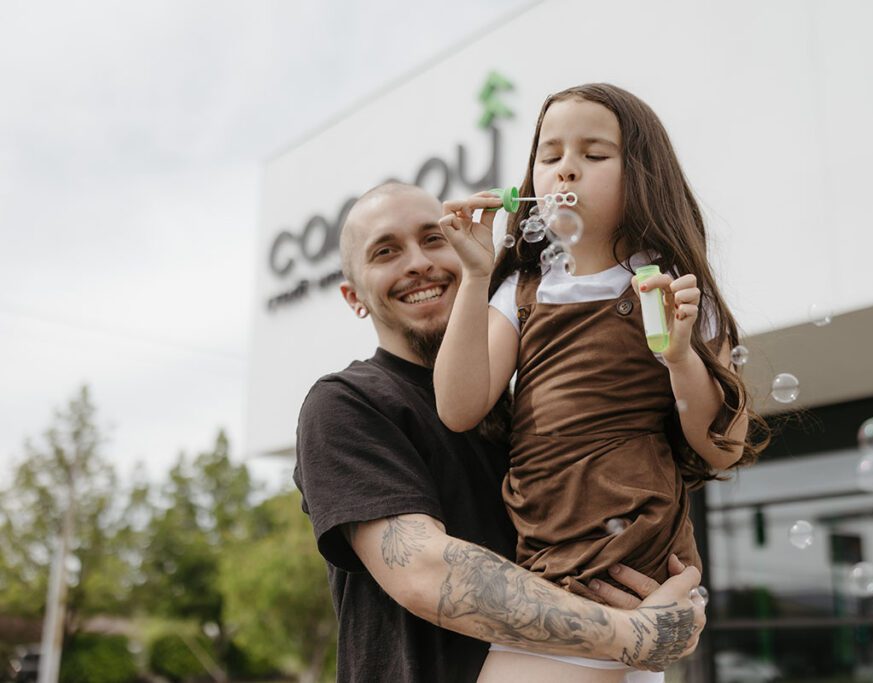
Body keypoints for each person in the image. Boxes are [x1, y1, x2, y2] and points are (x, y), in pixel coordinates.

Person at [293, 181, 706, 683]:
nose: (418, 263)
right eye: (386, 251)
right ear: (353, 296)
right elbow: (422, 569)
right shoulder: (346, 403)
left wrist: (671, 606)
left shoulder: (517, 408)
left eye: (434, 238)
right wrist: (632, 634)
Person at [433, 83, 770, 682]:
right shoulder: (522, 291)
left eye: (594, 154)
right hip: (547, 555)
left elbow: (723, 444)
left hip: (627, 554)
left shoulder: (672, 290)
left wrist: (679, 358)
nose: (566, 168)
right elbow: (458, 406)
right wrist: (474, 275)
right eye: (550, 154)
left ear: (643, 176)